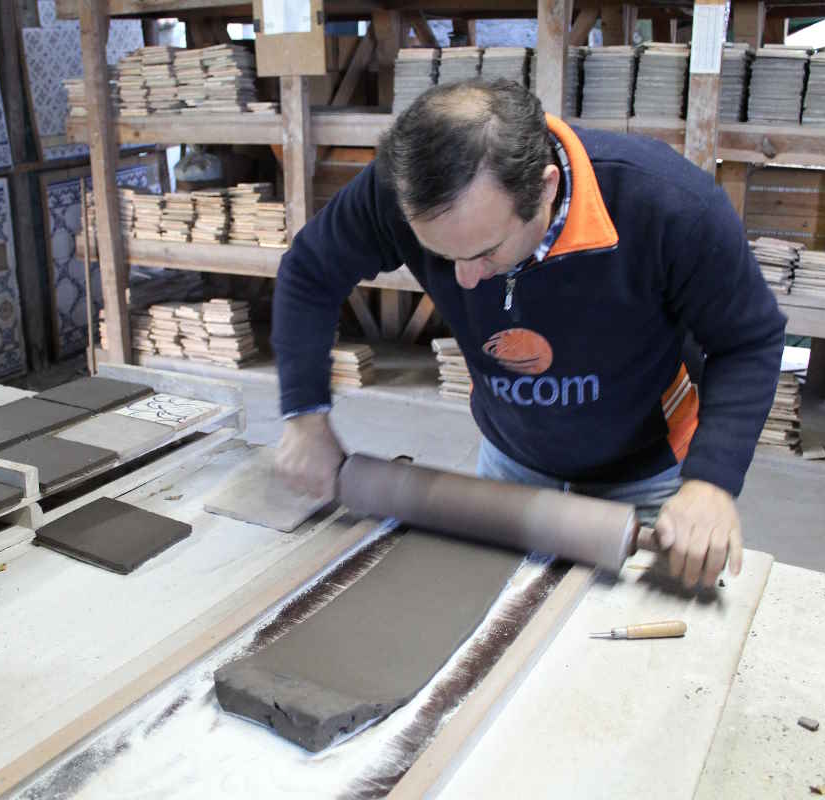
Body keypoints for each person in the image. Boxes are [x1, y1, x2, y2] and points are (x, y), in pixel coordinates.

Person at [271, 79, 786, 589]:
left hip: (647, 471)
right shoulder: (403, 189)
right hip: (511, 464)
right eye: (442, 257)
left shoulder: (667, 205)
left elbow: (747, 340)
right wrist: (305, 416)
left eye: (484, 253)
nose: (464, 280)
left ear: (545, 188)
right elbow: (310, 270)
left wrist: (711, 481)